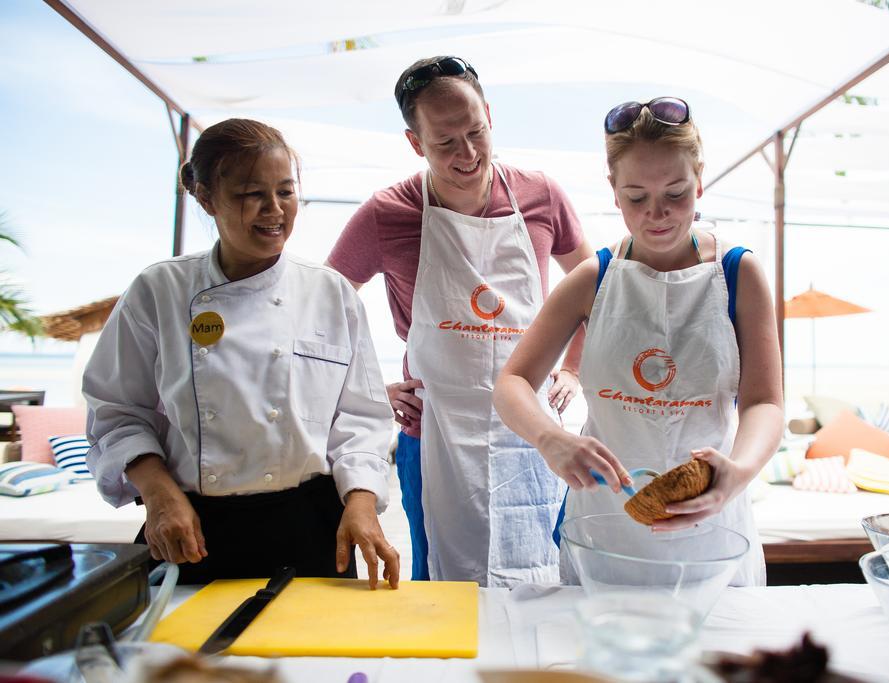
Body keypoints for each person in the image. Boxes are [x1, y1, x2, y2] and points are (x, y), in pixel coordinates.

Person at [84, 118, 400, 587]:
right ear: (206, 198)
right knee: (183, 657)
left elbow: (362, 418)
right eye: (250, 193)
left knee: (310, 659)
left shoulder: (329, 293)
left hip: (311, 525)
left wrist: (360, 502)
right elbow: (116, 411)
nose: (274, 210)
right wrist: (158, 494)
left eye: (286, 192)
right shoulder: (161, 289)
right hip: (193, 525)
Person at [493, 98, 784, 585]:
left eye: (676, 192)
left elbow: (766, 402)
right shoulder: (595, 278)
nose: (658, 215)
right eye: (636, 197)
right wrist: (550, 438)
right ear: (613, 190)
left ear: (700, 178)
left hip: (713, 532)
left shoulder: (738, 274)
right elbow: (513, 381)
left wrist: (741, 469)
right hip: (604, 535)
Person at [327, 56, 593, 587]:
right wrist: (367, 389)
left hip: (533, 429)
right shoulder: (388, 213)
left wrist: (574, 367)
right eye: (445, 141)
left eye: (476, 132)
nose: (467, 154)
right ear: (414, 141)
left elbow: (595, 285)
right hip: (432, 434)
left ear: (490, 115)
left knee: (547, 578)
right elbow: (320, 308)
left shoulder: (541, 194)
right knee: (442, 586)